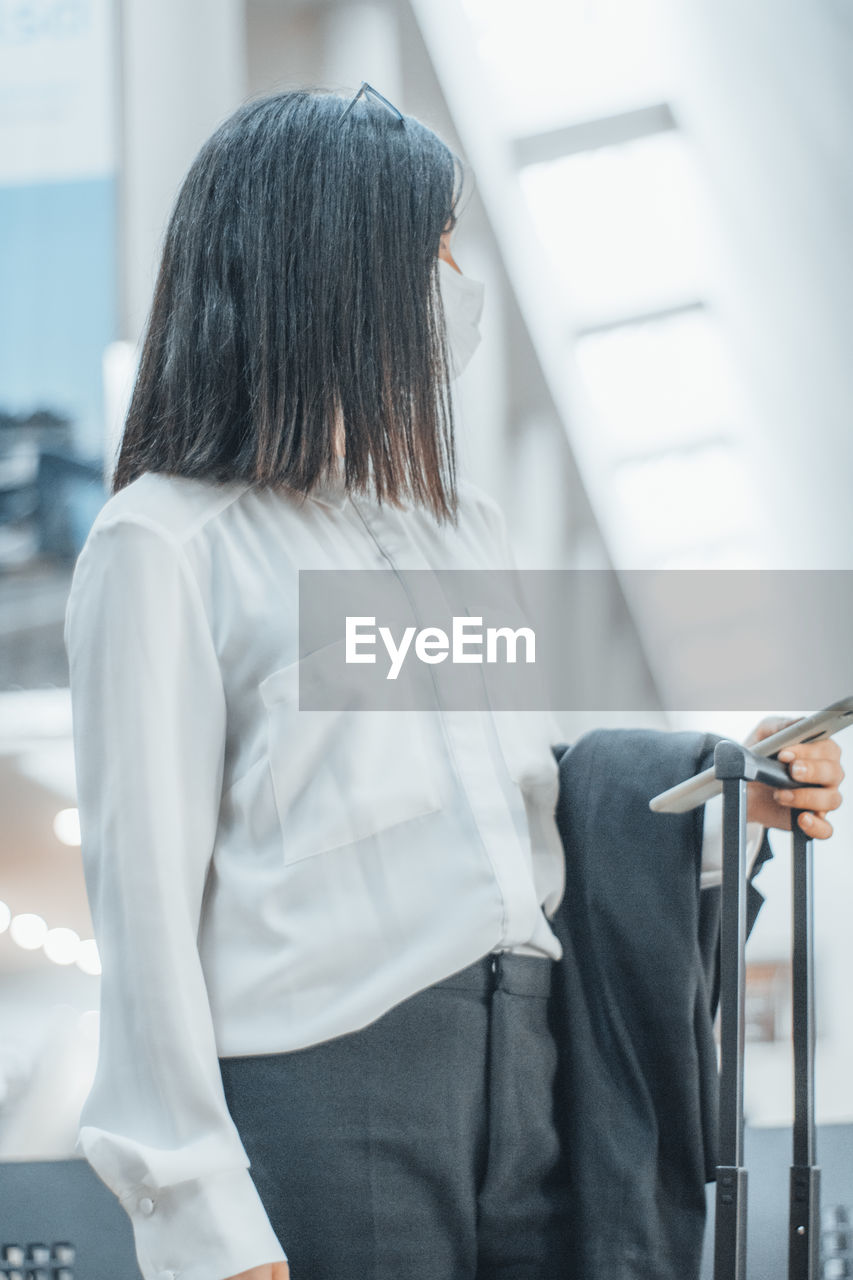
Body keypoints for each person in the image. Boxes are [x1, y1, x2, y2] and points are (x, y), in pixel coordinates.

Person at [64, 86, 845, 1280]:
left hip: (530, 1071)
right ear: (332, 266)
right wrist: (201, 1218)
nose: (454, 279)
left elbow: (529, 800)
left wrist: (717, 794)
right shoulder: (168, 541)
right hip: (329, 1090)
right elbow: (146, 907)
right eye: (434, 248)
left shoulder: (461, 532)